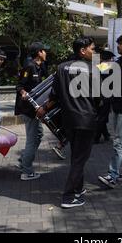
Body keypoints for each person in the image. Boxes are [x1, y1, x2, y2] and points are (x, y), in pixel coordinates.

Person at [37, 37, 100, 209]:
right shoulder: (93, 70)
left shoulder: (61, 68)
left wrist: (44, 108)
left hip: (68, 121)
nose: (94, 52)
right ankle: (69, 196)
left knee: (76, 156)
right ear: (83, 50)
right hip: (86, 119)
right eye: (92, 49)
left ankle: (78, 189)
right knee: (80, 159)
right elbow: (99, 98)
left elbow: (54, 96)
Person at [98, 34, 122, 189]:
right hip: (116, 106)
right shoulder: (116, 62)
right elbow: (99, 70)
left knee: (118, 142)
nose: (118, 46)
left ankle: (112, 175)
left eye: (121, 43)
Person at [15, 42, 49, 181]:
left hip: (36, 109)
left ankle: (24, 160)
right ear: (39, 53)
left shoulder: (40, 67)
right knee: (31, 139)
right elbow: (19, 85)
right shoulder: (29, 66)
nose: (46, 53)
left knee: (39, 134)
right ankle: (27, 170)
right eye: (44, 51)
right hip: (28, 109)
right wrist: (23, 92)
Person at [94, 49, 114, 144]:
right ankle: (96, 137)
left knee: (101, 116)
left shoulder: (98, 67)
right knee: (102, 117)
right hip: (105, 96)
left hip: (98, 95)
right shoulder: (109, 68)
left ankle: (106, 134)